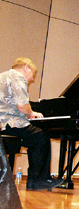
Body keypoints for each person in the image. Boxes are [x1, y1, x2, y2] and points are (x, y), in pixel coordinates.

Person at [0, 58, 63, 191]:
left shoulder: (3, 76)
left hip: (2, 123)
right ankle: (38, 181)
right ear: (26, 68)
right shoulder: (17, 77)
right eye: (33, 75)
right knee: (41, 137)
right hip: (9, 123)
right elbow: (22, 105)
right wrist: (31, 113)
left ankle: (36, 180)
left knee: (36, 136)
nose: (32, 79)